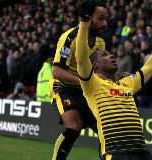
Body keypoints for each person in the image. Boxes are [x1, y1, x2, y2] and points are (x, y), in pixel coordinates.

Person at [75, 9, 152, 160]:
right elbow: (81, 57)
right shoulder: (92, 84)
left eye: (110, 54)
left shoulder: (127, 83)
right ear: (94, 65)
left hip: (141, 151)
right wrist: (84, 23)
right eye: (104, 55)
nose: (111, 55)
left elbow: (150, 66)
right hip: (117, 152)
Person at [49, 1, 107, 160]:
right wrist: (84, 81)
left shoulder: (100, 42)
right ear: (89, 18)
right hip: (63, 88)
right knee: (74, 126)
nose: (105, 23)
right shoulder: (69, 37)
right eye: (101, 18)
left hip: (85, 91)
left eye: (106, 19)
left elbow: (100, 72)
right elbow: (57, 71)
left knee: (106, 132)